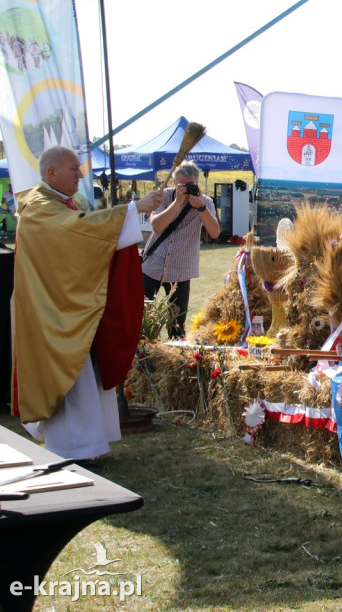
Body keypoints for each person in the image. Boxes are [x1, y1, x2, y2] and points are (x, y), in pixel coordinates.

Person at [13, 146, 162, 460]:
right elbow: (81, 234)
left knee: (83, 378)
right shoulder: (41, 207)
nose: (80, 175)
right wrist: (135, 209)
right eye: (72, 169)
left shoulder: (54, 204)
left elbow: (82, 230)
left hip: (68, 305)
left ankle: (86, 444)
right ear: (51, 172)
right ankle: (70, 448)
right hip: (55, 313)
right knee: (71, 379)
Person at [141, 160, 219, 339]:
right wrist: (177, 202)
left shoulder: (205, 202)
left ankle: (173, 359)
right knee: (142, 319)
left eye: (190, 185)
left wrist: (200, 207)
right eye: (181, 185)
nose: (185, 189)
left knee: (176, 324)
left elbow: (214, 232)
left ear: (197, 183)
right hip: (152, 265)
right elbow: (157, 226)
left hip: (180, 272)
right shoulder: (164, 196)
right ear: (174, 183)